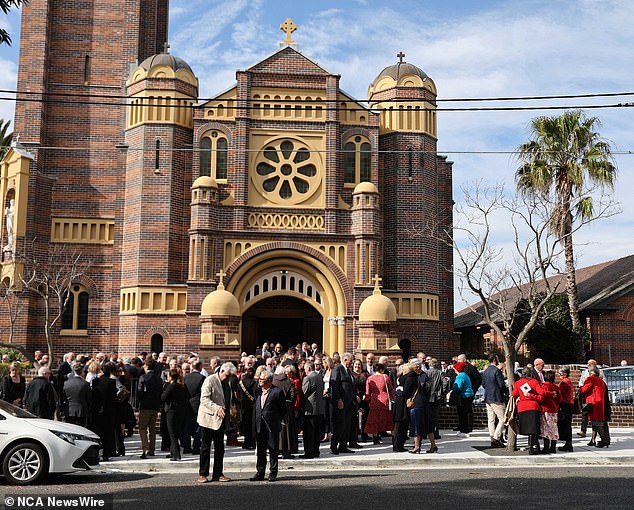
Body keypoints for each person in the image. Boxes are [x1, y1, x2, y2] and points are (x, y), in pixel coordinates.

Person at [197, 362, 236, 483]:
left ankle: (218, 473)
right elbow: (204, 398)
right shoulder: (210, 380)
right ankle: (203, 474)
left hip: (220, 421)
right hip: (208, 419)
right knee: (205, 447)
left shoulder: (227, 384)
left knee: (220, 448)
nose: (228, 378)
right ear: (222, 371)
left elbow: (227, 402)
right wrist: (216, 408)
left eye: (230, 376)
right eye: (227, 375)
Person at [250, 369, 287, 482]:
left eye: (262, 380)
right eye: (260, 379)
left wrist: (276, 420)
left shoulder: (277, 392)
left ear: (269, 381)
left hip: (271, 425)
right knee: (260, 450)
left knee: (273, 450)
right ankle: (260, 472)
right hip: (259, 425)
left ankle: (273, 472)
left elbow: (282, 410)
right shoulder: (257, 391)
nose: (260, 381)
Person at [512, 366, 555, 455]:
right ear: (531, 373)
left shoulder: (518, 383)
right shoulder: (534, 382)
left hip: (522, 407)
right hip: (533, 406)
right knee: (534, 428)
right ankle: (533, 446)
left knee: (526, 428)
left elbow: (514, 394)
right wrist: (551, 394)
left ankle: (530, 445)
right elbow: (542, 392)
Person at [405, 360, 438, 454]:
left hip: (416, 403)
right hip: (425, 403)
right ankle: (433, 445)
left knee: (416, 425)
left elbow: (406, 392)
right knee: (428, 426)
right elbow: (428, 389)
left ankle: (416, 446)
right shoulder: (424, 376)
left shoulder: (411, 377)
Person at [329, 352, 356, 455]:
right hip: (341, 402)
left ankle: (343, 446)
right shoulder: (338, 369)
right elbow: (334, 385)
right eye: (351, 360)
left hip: (349, 403)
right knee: (340, 425)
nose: (352, 363)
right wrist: (339, 399)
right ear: (345, 360)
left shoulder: (348, 371)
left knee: (347, 425)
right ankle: (334, 446)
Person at [91, 362, 118, 461]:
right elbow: (113, 397)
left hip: (97, 411)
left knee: (97, 433)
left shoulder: (95, 381)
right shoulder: (112, 382)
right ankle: (106, 453)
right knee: (107, 433)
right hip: (109, 410)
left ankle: (96, 453)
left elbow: (94, 396)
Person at [162, 368, 189, 461]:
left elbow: (163, 397)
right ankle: (172, 451)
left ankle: (176, 454)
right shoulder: (182, 386)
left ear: (171, 377)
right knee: (175, 432)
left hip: (172, 411)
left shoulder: (172, 386)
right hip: (181, 411)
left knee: (172, 433)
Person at [137, 359, 163, 459]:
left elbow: (140, 392)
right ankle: (151, 450)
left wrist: (141, 400)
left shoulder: (143, 377)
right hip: (155, 406)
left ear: (146, 366)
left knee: (142, 428)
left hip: (145, 406)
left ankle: (145, 448)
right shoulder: (158, 379)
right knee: (152, 429)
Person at [481, 353, 508, 448]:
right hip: (496, 397)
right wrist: (507, 392)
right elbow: (501, 385)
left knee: (491, 419)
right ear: (495, 359)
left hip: (488, 397)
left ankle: (492, 437)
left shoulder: (486, 371)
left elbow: (483, 384)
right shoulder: (496, 370)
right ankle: (496, 438)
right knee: (503, 418)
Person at [364, 362, 393, 445]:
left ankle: (375, 438)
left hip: (374, 400)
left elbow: (367, 392)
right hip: (385, 399)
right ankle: (394, 439)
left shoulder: (370, 378)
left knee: (374, 419)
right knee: (388, 419)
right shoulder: (385, 377)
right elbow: (391, 389)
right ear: (382, 370)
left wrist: (367, 400)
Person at [581, 366, 610, 447]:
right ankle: (593, 440)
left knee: (596, 423)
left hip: (593, 403)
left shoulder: (591, 379)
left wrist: (581, 388)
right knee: (595, 423)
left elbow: (584, 389)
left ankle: (604, 440)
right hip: (600, 403)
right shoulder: (601, 381)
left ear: (591, 372)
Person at [301, 360, 325, 459]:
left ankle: (309, 452)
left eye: (305, 369)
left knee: (309, 432)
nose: (304, 371)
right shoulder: (319, 377)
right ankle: (316, 451)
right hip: (319, 409)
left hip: (310, 410)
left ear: (308, 368)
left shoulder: (308, 378)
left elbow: (304, 393)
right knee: (316, 432)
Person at [183, 359, 205, 454]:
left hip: (187, 404)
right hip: (198, 404)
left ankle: (186, 447)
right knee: (197, 427)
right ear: (200, 367)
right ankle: (196, 447)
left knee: (187, 427)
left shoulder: (185, 378)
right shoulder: (202, 378)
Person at [539, 370, 561, 453]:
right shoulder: (556, 387)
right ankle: (553, 447)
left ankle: (546, 448)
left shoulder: (543, 386)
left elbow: (541, 398)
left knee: (545, 428)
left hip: (545, 409)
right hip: (554, 409)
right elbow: (560, 399)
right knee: (554, 428)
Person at [391, 362, 411, 452]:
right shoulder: (402, 378)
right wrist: (399, 391)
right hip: (400, 404)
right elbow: (402, 391)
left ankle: (399, 445)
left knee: (401, 425)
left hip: (400, 403)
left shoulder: (404, 378)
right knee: (399, 425)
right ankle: (397, 445)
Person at [236, 365, 257, 450]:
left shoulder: (240, 383)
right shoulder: (254, 383)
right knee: (252, 424)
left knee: (245, 424)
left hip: (243, 405)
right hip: (252, 405)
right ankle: (252, 442)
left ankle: (246, 442)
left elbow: (237, 394)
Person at [452, 361, 475, 437]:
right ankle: (464, 429)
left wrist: (453, 388)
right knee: (466, 413)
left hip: (464, 396)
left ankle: (464, 430)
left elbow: (457, 388)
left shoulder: (460, 376)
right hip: (469, 395)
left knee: (462, 414)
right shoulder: (465, 375)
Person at [557, 366, 575, 452]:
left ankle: (568, 443)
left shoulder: (564, 382)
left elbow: (559, 394)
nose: (559, 375)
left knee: (566, 424)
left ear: (564, 374)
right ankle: (568, 443)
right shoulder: (569, 381)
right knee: (568, 424)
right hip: (569, 404)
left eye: (560, 373)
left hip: (565, 404)